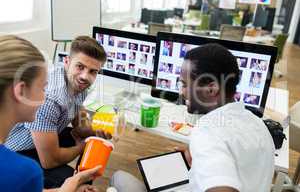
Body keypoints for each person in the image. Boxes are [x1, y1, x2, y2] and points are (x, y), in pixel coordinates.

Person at [110, 44, 275, 192]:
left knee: (119, 177)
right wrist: (198, 159)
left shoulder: (208, 131)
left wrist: (204, 146)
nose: (181, 92)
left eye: (184, 84)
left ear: (211, 90)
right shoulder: (258, 124)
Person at [5, 36, 110, 188]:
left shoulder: (79, 84)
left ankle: (81, 176)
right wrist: (82, 145)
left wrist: (96, 130)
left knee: (93, 144)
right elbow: (49, 162)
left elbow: (79, 123)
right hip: (18, 153)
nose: (85, 76)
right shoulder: (51, 99)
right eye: (80, 67)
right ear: (67, 62)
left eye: (93, 71)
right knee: (80, 181)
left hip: (41, 140)